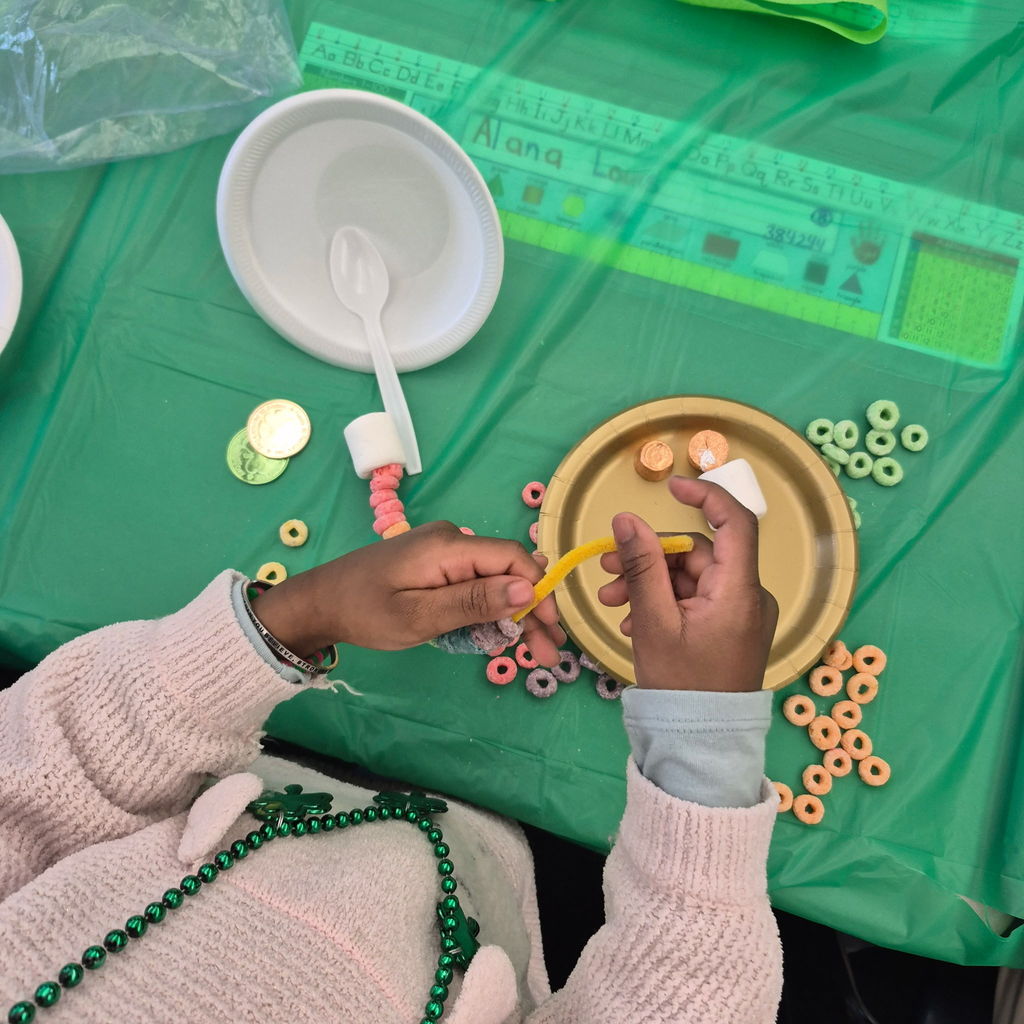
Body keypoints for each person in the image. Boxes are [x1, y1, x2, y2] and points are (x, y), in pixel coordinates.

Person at [1, 477, 781, 1023]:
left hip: (264, 787)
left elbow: (42, 772)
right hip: (511, 890)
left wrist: (297, 615)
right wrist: (704, 746)